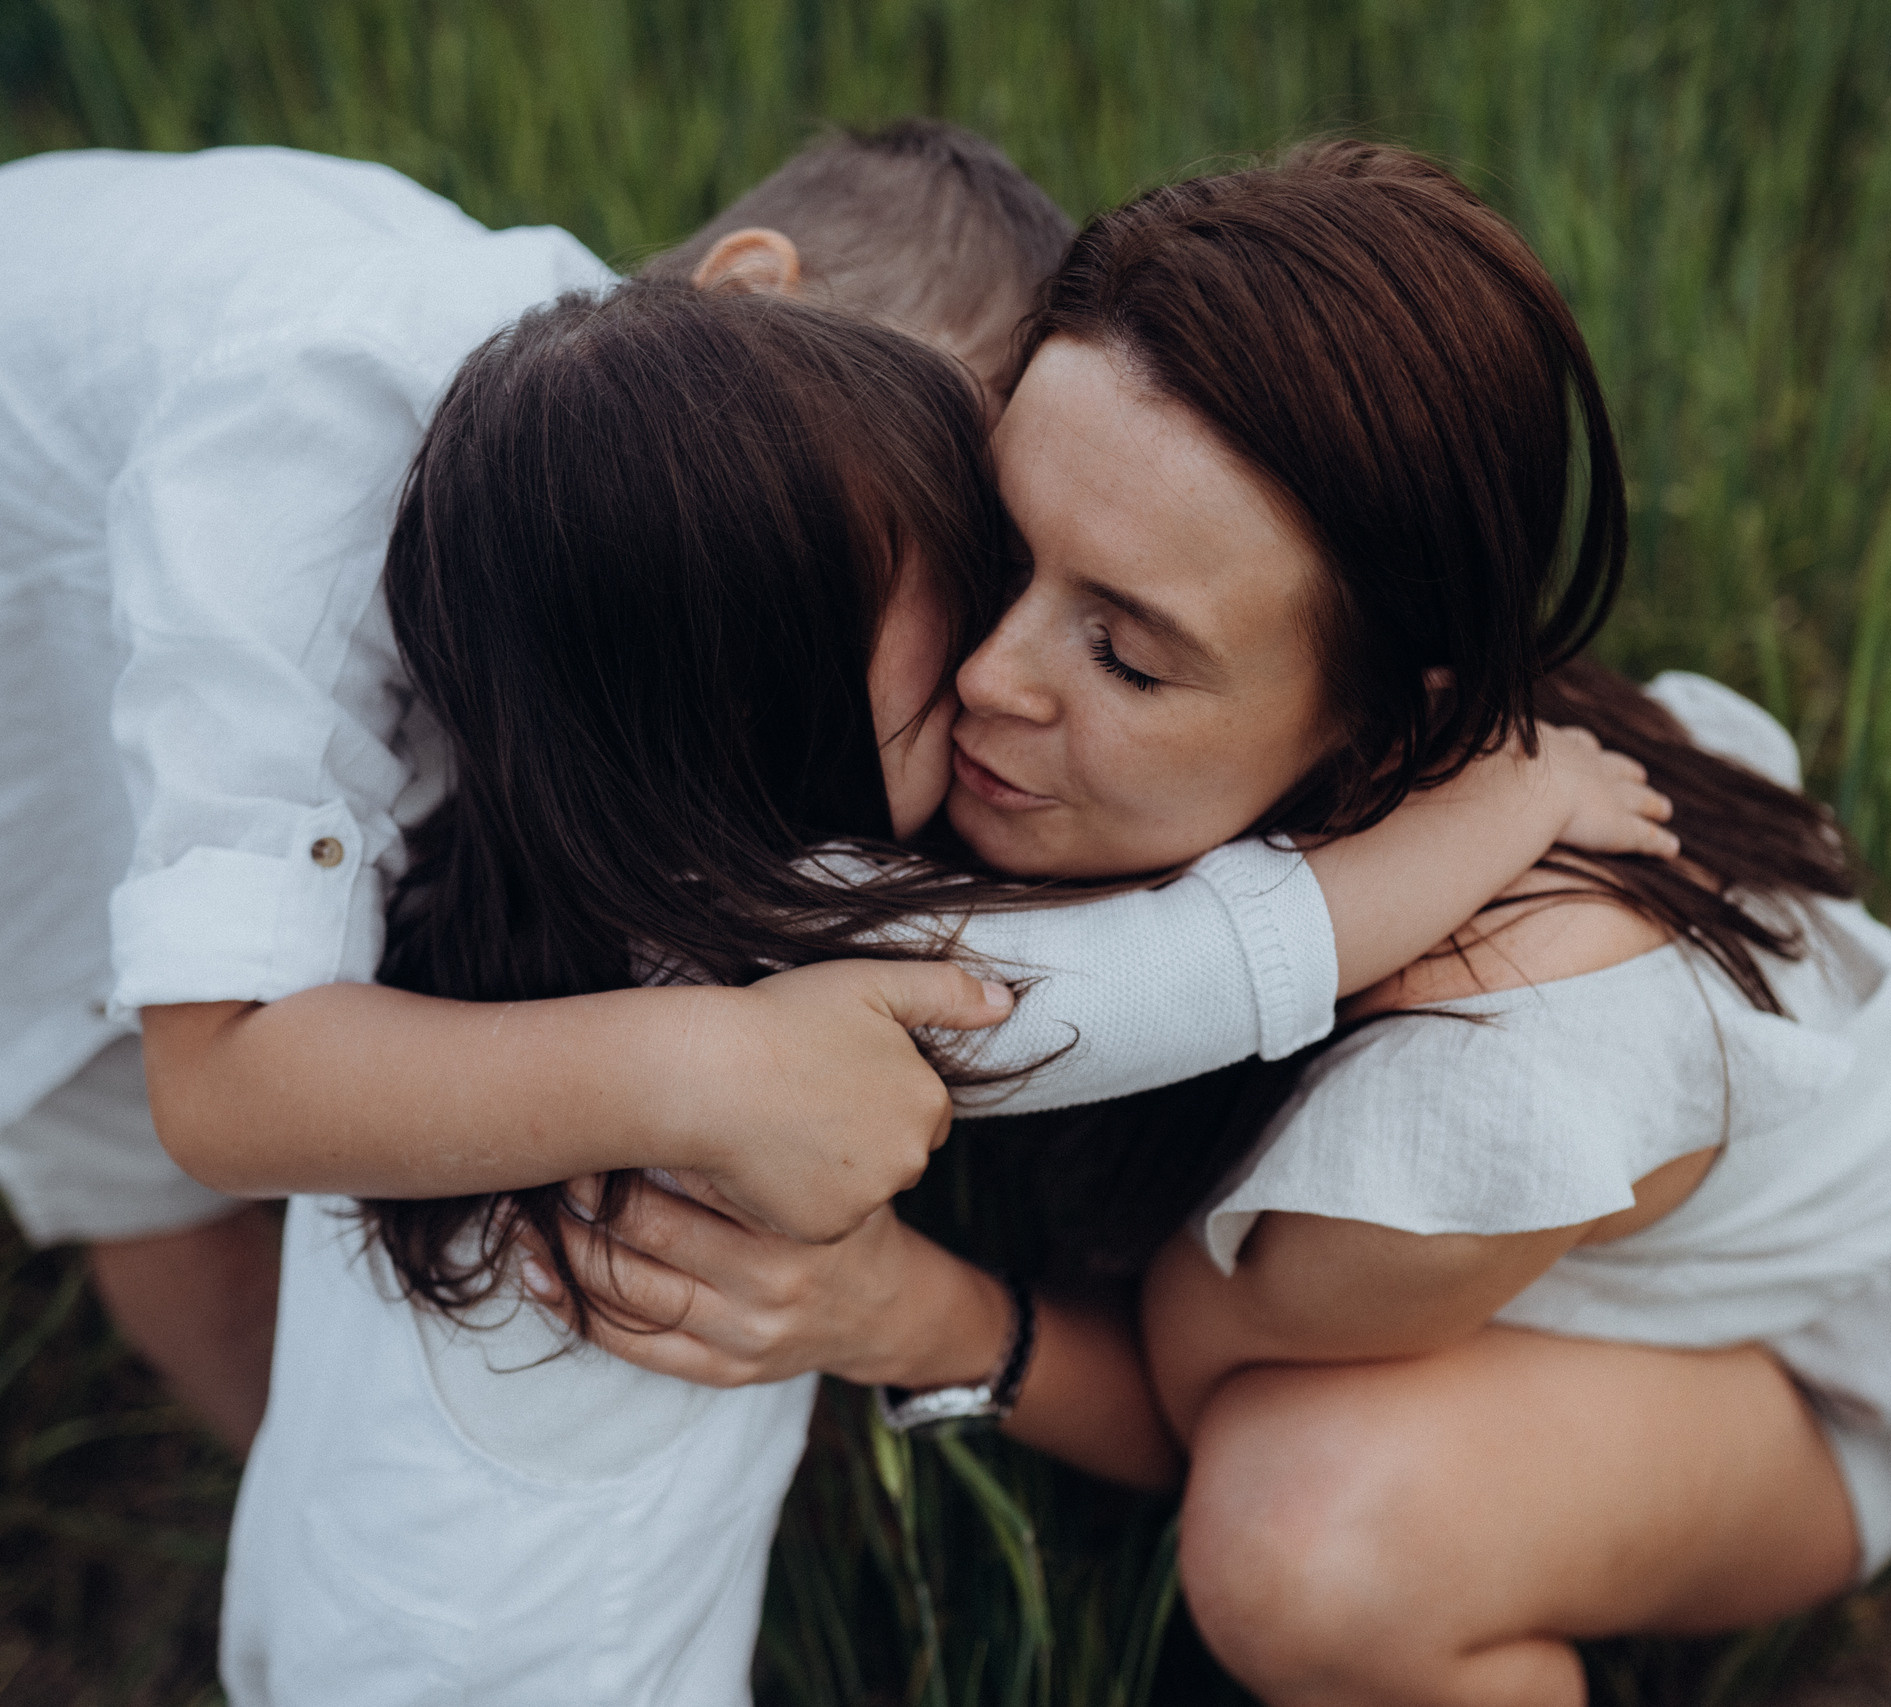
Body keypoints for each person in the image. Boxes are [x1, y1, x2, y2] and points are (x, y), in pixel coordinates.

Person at [556, 140, 1891, 1707]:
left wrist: (894, 1308)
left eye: (1130, 660)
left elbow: (1174, 1405)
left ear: (1379, 735)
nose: (995, 675)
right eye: (1002, 548)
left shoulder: (1491, 1061)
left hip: (1797, 1371)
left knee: (1303, 1535)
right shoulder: (1221, 727)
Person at [220, 275, 1675, 1702]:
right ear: (769, 719)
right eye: (945, 611)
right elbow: (1202, 968)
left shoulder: (441, 883)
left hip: (317, 1579)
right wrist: (1508, 799)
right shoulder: (808, 944)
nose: (986, 672)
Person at [0, 120, 1075, 1454]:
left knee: (382, 1001)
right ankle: (295, 1488)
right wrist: (710, 1067)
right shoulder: (321, 446)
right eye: (921, 498)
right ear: (755, 298)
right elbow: (221, 1087)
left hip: (42, 497)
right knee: (134, 1108)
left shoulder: (600, 478)